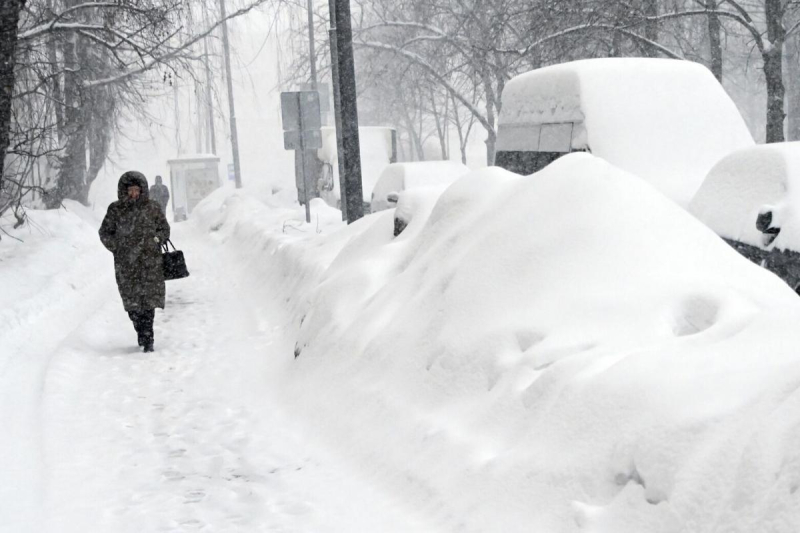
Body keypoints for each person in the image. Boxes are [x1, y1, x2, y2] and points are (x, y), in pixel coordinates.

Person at [99, 171, 170, 352]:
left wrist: (156, 239)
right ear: (124, 191)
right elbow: (105, 232)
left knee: (148, 303)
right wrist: (117, 247)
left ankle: (148, 338)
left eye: (137, 190)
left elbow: (164, 228)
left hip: (150, 263)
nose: (133, 194)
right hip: (126, 265)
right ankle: (140, 331)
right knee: (133, 306)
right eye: (130, 190)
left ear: (143, 190)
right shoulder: (115, 210)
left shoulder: (152, 208)